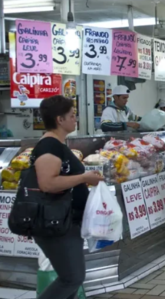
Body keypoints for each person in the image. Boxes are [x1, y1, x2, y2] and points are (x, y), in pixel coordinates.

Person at [31, 95, 103, 299]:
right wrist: (83, 177)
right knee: (71, 278)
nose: (76, 119)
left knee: (71, 278)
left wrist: (84, 179)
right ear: (59, 120)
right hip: (56, 224)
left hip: (67, 221)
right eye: (72, 115)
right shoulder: (48, 147)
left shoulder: (58, 145)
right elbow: (48, 183)